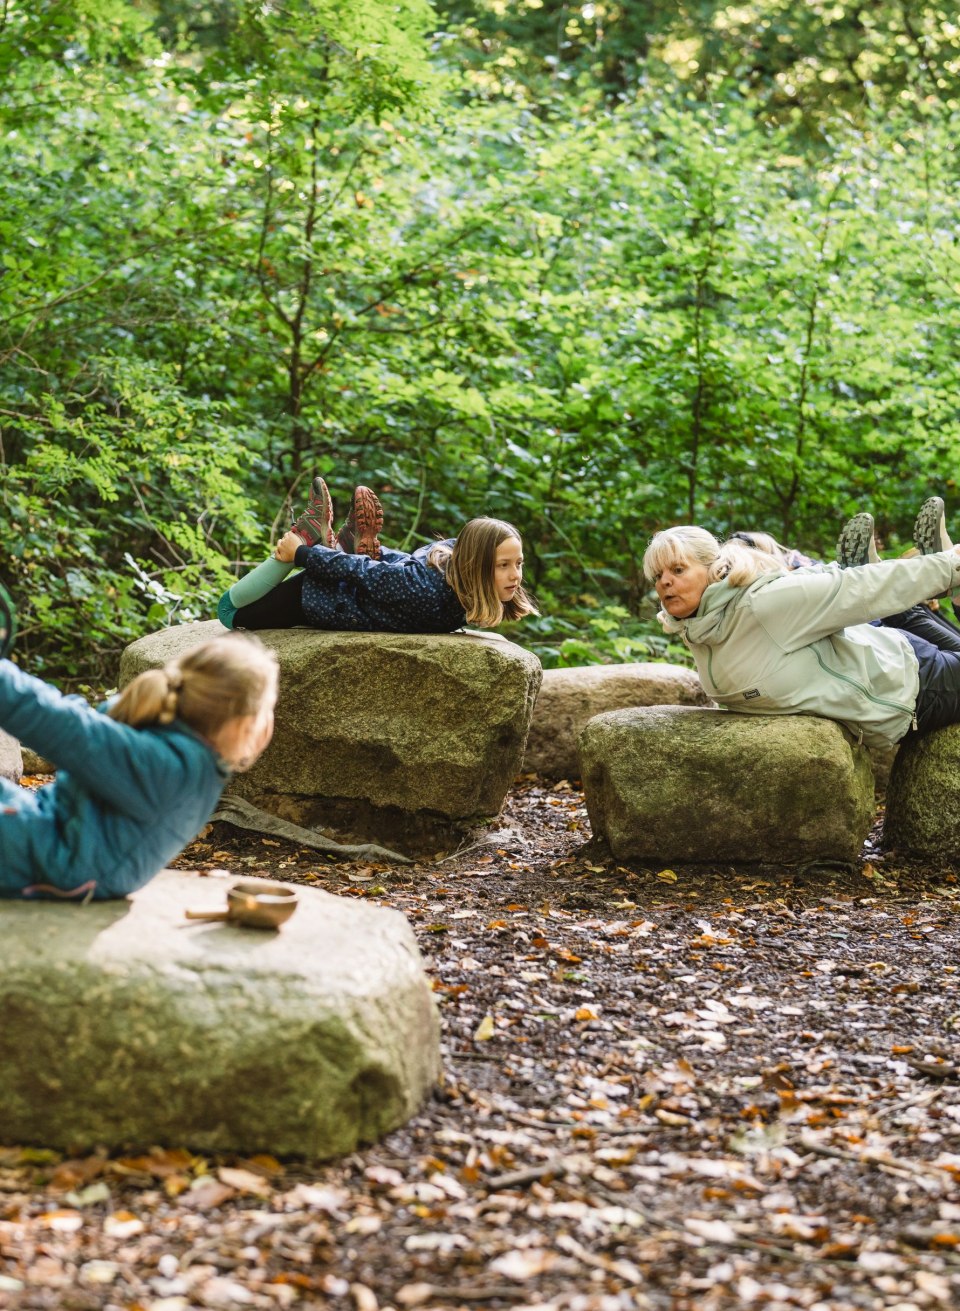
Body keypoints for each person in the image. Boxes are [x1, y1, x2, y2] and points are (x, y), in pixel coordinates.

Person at [643, 501, 960, 748]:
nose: (665, 583)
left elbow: (863, 590)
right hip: (888, 655)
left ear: (711, 569)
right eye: (658, 576)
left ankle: (948, 574)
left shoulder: (759, 606)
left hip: (912, 685)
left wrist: (949, 567)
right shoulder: (698, 629)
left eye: (678, 570)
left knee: (867, 588)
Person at [0, 632, 279, 901]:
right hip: (38, 840)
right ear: (246, 725)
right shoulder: (177, 760)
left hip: (36, 853)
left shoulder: (171, 771)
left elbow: (63, 726)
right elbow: (69, 725)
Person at [217, 477, 538, 635]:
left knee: (398, 566)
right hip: (323, 595)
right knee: (229, 612)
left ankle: (348, 546)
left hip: (363, 586)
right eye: (504, 566)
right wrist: (300, 554)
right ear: (474, 564)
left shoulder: (451, 571)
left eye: (518, 564)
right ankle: (312, 540)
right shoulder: (426, 591)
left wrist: (380, 554)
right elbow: (366, 574)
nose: (515, 575)